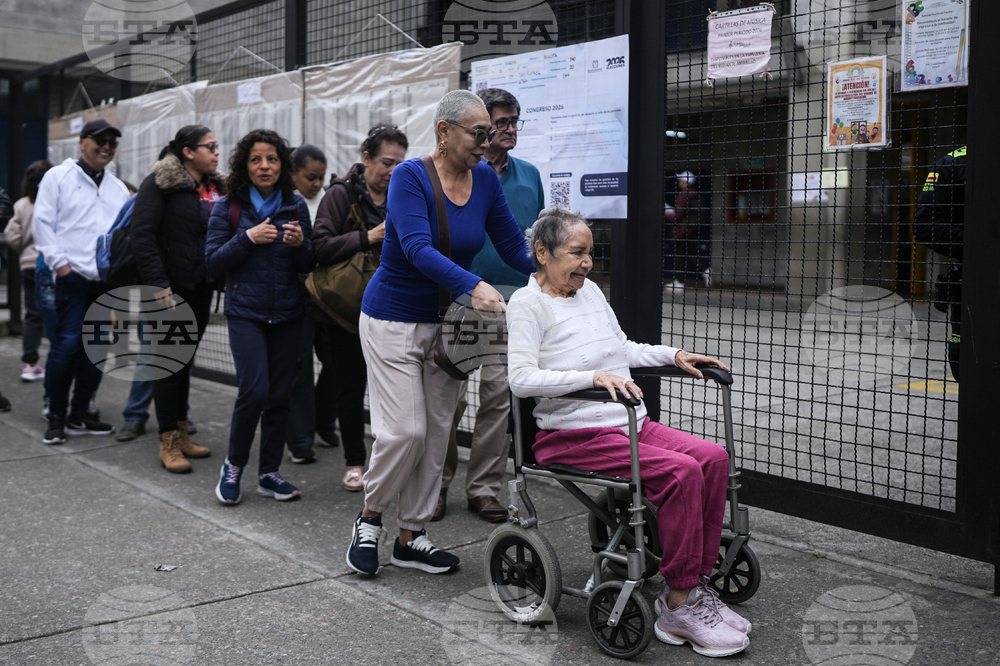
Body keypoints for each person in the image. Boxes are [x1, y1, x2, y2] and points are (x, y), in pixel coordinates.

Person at [507, 207, 750, 658]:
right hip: (574, 435)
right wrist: (592, 378)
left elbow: (622, 349)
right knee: (681, 474)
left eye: (590, 254)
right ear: (542, 252)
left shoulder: (592, 292)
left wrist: (673, 355)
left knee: (713, 458)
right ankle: (678, 604)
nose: (587, 263)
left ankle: (692, 586)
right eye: (576, 253)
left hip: (629, 424)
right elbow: (520, 379)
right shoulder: (526, 304)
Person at [346, 90, 534, 576]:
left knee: (435, 434)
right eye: (479, 132)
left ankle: (412, 535)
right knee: (404, 431)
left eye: (490, 133)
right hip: (393, 319)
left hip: (451, 329)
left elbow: (513, 245)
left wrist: (555, 273)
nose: (487, 141)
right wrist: (474, 285)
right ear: (445, 131)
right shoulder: (410, 176)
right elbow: (413, 247)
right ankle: (370, 519)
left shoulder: (486, 181)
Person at [440, 88, 545, 522]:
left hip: (512, 303)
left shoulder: (530, 176)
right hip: (462, 300)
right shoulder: (457, 172)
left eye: (513, 120)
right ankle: (437, 481)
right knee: (450, 398)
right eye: (499, 122)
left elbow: (530, 243)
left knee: (499, 396)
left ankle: (483, 487)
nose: (508, 129)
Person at [205, 128, 315, 505]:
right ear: (244, 165)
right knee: (254, 391)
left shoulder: (295, 205)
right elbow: (212, 262)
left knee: (280, 396)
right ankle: (233, 466)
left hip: (287, 313)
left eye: (271, 159)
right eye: (256, 159)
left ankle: (269, 474)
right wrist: (247, 238)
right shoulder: (228, 207)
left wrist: (302, 246)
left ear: (282, 164)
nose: (264, 166)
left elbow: (309, 262)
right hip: (245, 313)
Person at [312, 125, 408, 490]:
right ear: (366, 158)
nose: (392, 170)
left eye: (400, 163)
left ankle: (389, 462)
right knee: (349, 384)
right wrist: (368, 236)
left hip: (392, 304)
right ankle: (354, 461)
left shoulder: (404, 194)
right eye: (386, 162)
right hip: (347, 308)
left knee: (390, 389)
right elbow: (318, 246)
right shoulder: (340, 194)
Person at [130, 125, 225, 472]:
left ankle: (182, 432)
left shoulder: (215, 186)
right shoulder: (162, 181)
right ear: (188, 151)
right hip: (169, 289)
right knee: (169, 362)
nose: (216, 152)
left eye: (216, 146)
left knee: (184, 361)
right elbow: (141, 234)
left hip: (201, 285)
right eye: (209, 146)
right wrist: (158, 283)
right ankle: (167, 441)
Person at [32, 119, 130, 445]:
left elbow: (121, 236)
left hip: (104, 282)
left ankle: (80, 414)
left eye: (112, 143)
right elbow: (43, 224)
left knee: (98, 350)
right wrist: (62, 269)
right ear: (82, 142)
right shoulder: (57, 177)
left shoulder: (117, 189)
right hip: (71, 278)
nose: (106, 147)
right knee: (67, 346)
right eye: (99, 140)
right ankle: (56, 416)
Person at [285, 144, 340, 465]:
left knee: (334, 362)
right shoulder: (285, 203)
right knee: (300, 366)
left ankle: (323, 421)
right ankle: (300, 438)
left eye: (320, 177)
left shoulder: (328, 200)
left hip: (328, 294)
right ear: (293, 174)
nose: (317, 183)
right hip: (296, 294)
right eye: (310, 177)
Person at [914, 146, 966, 382]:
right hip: (974, 286)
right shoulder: (955, 162)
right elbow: (925, 225)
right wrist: (979, 244)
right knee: (965, 363)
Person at [5, 160, 53, 383]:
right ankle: (58, 360)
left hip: (28, 264)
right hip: (52, 265)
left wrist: (25, 248)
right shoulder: (54, 202)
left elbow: (11, 235)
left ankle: (30, 363)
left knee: (32, 315)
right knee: (57, 314)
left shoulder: (22, 205)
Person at [665, 171, 708, 292]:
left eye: (681, 180)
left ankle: (679, 282)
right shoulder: (695, 194)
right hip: (692, 230)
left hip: (682, 231)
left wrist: (667, 212)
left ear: (685, 183)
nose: (679, 182)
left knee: (679, 256)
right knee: (691, 254)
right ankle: (706, 271)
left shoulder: (683, 195)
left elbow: (676, 216)